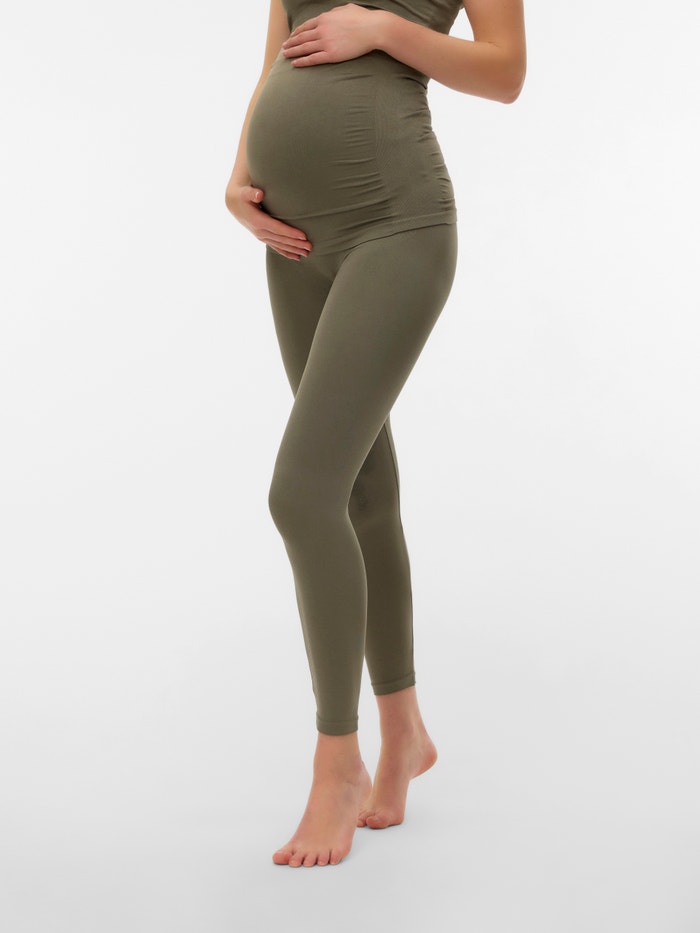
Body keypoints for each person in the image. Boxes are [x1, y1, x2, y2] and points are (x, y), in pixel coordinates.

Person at [225, 0, 526, 868]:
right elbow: (276, 58)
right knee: (358, 489)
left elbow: (505, 71)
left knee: (301, 494)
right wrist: (240, 176)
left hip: (396, 223)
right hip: (292, 239)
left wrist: (385, 30)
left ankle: (338, 763)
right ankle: (405, 732)